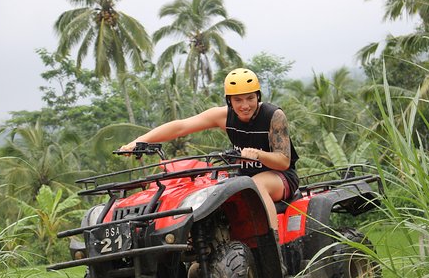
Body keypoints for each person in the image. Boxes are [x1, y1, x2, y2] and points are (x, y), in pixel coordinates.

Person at [119, 68, 299, 230]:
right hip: (242, 176)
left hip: (279, 177)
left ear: (258, 97)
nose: (245, 105)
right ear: (229, 101)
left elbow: (283, 161)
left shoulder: (273, 116)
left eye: (250, 98)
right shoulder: (223, 116)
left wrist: (258, 155)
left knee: (256, 186)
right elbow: (181, 127)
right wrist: (139, 141)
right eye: (238, 100)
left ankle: (272, 246)